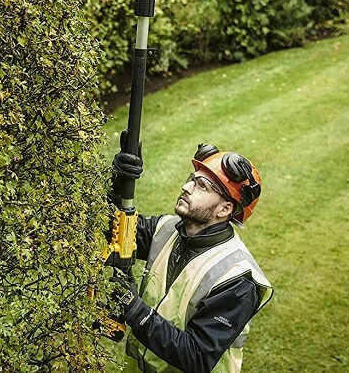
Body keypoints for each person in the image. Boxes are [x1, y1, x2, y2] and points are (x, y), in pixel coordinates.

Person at [108, 142, 274, 373]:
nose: (186, 187)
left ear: (224, 209)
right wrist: (117, 185)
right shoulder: (166, 230)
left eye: (202, 186)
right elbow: (109, 231)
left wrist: (135, 310)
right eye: (191, 179)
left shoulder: (237, 279)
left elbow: (196, 356)